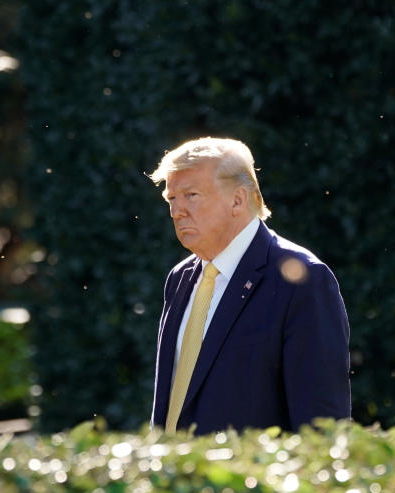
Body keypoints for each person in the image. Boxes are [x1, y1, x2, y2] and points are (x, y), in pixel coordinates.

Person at [148, 137, 351, 433]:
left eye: (191, 195)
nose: (177, 211)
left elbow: (322, 428)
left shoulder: (303, 280)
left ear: (238, 200)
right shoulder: (179, 279)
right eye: (171, 199)